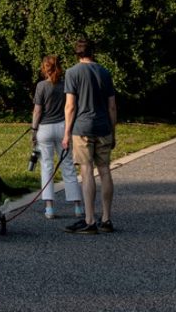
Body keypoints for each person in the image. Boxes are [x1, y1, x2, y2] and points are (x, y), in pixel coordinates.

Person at [61, 37, 117, 235]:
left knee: (86, 171)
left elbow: (70, 106)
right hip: (103, 127)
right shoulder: (105, 72)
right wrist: (113, 130)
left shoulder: (72, 73)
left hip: (82, 128)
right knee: (104, 170)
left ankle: (90, 219)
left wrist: (66, 133)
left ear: (77, 54)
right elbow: (112, 106)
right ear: (93, 52)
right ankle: (107, 218)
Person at [31, 54, 84, 220]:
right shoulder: (65, 85)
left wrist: (33, 130)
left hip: (45, 129)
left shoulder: (41, 86)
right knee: (68, 165)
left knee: (46, 166)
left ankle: (49, 208)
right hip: (62, 127)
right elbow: (71, 106)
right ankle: (77, 207)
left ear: (44, 69)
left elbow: (38, 110)